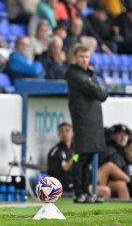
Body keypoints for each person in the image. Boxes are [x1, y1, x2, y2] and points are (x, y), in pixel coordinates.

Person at [65, 44, 108, 203]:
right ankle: (79, 193)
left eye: (87, 56)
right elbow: (100, 93)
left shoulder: (87, 74)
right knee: (79, 158)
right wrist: (98, 86)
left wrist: (96, 85)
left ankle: (87, 192)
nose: (84, 60)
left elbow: (100, 91)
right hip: (82, 123)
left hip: (92, 123)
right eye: (81, 56)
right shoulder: (74, 74)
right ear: (75, 57)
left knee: (88, 158)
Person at [47, 122, 111, 199]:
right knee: (105, 190)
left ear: (73, 133)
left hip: (80, 184)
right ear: (58, 134)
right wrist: (75, 158)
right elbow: (55, 171)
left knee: (109, 188)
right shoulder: (55, 151)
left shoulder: (76, 148)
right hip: (64, 188)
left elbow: (83, 167)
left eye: (67, 131)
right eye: (61, 131)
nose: (64, 133)